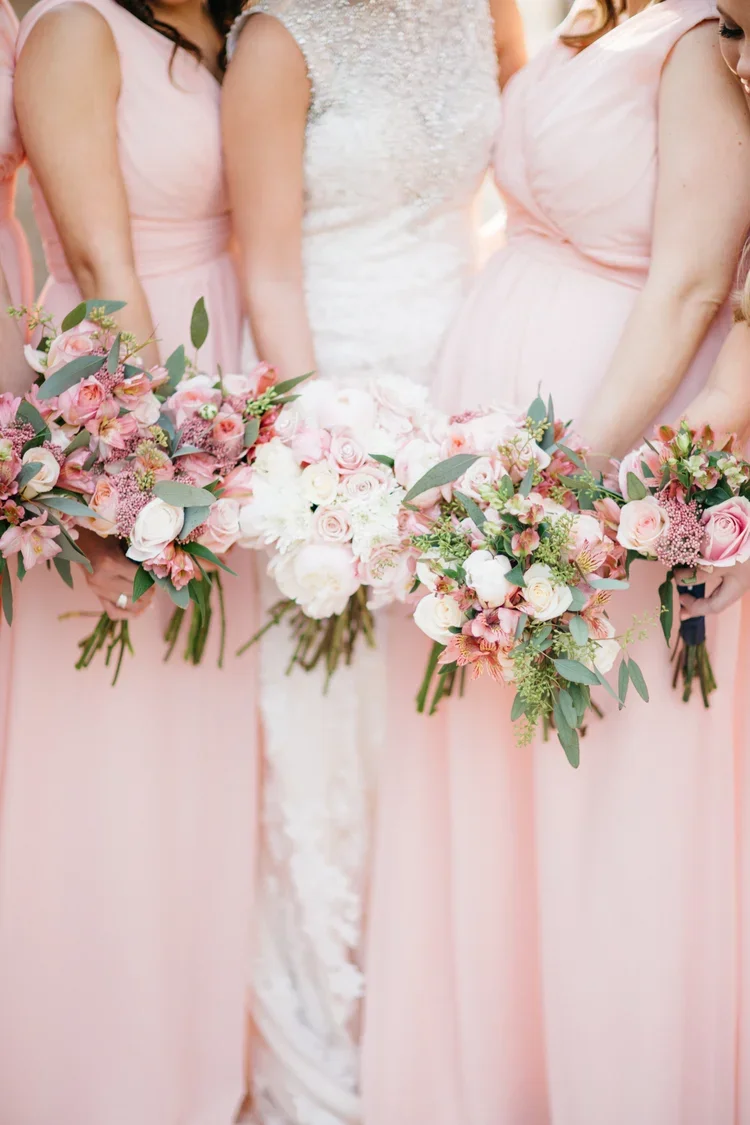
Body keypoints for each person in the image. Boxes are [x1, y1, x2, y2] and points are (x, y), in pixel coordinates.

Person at [429, 1, 750, 1122]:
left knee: (610, 775)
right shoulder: (580, 22)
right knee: (513, 765)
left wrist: (575, 472)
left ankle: (625, 1078)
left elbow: (695, 284)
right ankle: (516, 1065)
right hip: (512, 438)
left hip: (615, 444)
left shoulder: (697, 46)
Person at [221, 2, 525, 1121]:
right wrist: (323, 455)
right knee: (331, 724)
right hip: (333, 385)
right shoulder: (276, 35)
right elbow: (270, 268)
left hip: (467, 382)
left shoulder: (479, 8)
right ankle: (325, 1039)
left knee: (444, 730)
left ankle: (441, 1012)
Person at [0, 2, 259, 1122]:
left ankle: (193, 1062)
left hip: (218, 384)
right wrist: (146, 468)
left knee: (194, 755)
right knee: (108, 752)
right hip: (121, 390)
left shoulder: (219, 30)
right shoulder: (75, 26)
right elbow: (100, 254)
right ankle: (90, 1079)